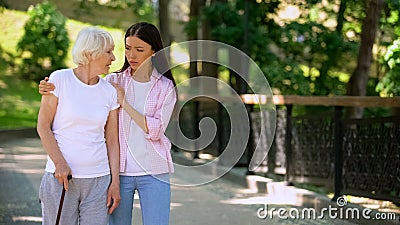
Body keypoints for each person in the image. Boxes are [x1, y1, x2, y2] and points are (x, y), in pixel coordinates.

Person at [39, 22, 177, 225]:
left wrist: (125, 103)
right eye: (128, 48)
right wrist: (46, 87)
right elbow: (78, 94)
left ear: (154, 52)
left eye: (139, 50)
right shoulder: (113, 82)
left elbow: (154, 131)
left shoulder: (164, 87)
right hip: (120, 172)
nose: (130, 55)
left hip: (152, 170)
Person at [36, 26, 121, 225]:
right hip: (62, 179)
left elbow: (112, 141)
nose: (113, 58)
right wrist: (59, 163)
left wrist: (114, 182)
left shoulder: (109, 91)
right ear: (91, 53)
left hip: (99, 181)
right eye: (108, 51)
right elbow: (43, 125)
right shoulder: (59, 80)